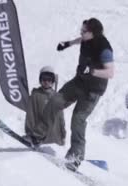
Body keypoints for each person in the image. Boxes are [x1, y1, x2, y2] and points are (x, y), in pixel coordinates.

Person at [35, 18, 114, 170]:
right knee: (55, 101)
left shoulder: (104, 49)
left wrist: (92, 71)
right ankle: (36, 136)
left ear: (93, 33)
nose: (81, 33)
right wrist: (68, 43)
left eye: (84, 31)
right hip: (79, 82)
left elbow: (110, 72)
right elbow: (80, 40)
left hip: (93, 89)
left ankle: (75, 157)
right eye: (81, 30)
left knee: (78, 119)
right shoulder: (86, 39)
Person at [23, 66, 66, 147]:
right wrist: (30, 133)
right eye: (44, 79)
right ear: (40, 80)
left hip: (55, 140)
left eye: (49, 79)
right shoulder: (35, 95)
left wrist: (63, 135)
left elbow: (61, 118)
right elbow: (30, 115)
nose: (46, 82)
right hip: (40, 139)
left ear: (53, 81)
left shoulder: (57, 97)